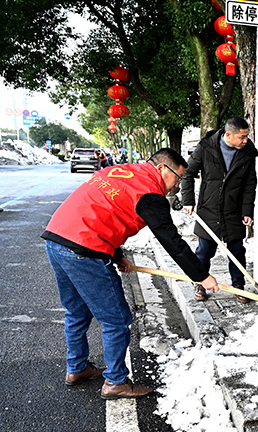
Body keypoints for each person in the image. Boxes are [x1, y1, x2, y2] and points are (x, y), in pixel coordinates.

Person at [42, 148, 220, 399]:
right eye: (177, 178)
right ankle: (115, 381)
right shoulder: (150, 193)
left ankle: (77, 367)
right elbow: (171, 241)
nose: (177, 186)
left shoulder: (123, 172)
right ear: (161, 169)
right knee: (116, 319)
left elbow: (104, 210)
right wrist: (200, 275)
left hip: (57, 239)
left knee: (77, 311)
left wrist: (116, 255)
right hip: (84, 249)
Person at [180, 116, 258, 304]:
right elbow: (188, 173)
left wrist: (247, 211)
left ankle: (239, 286)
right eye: (242, 137)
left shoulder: (247, 152)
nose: (245, 141)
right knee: (204, 251)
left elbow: (250, 184)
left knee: (237, 251)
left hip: (234, 210)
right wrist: (188, 200)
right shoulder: (206, 147)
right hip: (208, 208)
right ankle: (199, 282)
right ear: (228, 135)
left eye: (247, 137)